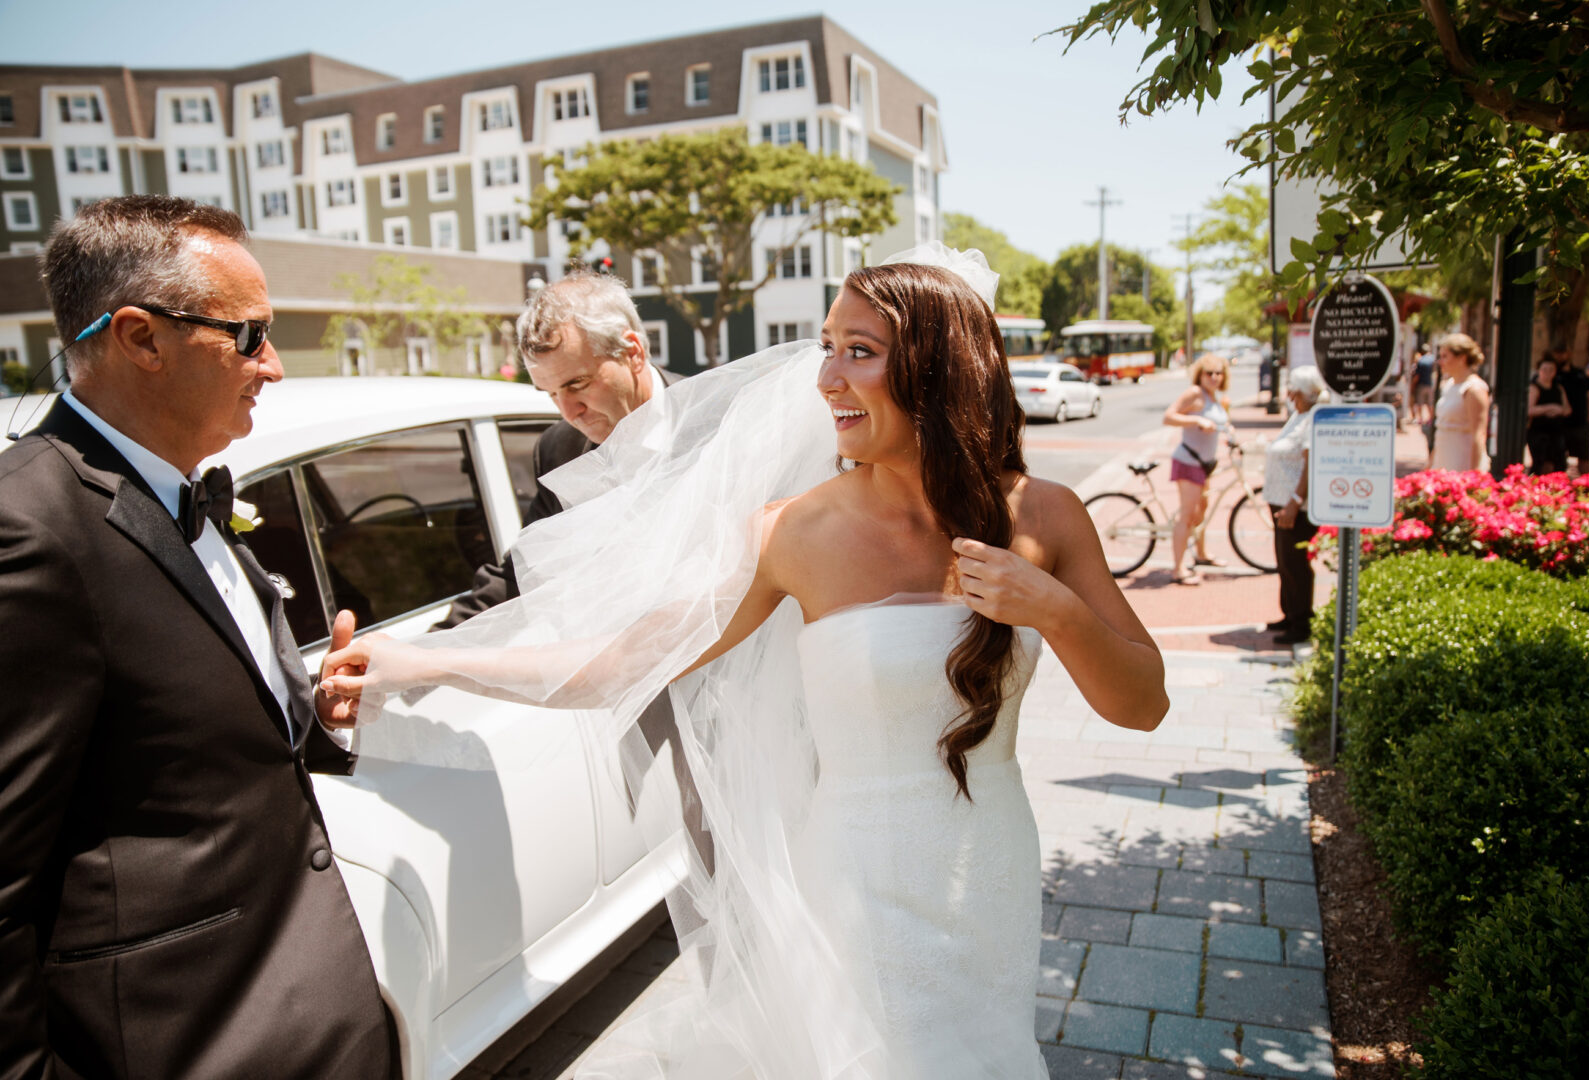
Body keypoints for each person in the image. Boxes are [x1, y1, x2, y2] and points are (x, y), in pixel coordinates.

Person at [320, 250, 1169, 1077]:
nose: (828, 377)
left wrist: (1051, 609)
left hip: (987, 870)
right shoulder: (791, 531)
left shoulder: (1047, 516)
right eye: (827, 346)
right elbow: (620, 662)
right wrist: (422, 662)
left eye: (859, 352)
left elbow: (1143, 705)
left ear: (941, 370)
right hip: (856, 883)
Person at [0, 197, 395, 1078]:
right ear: (141, 337)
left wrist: (310, 715)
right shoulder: (27, 529)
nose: (276, 367)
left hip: (317, 1016)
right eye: (249, 336)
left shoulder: (188, 493)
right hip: (188, 1040)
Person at [435, 269, 683, 627]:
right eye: (551, 394)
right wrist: (413, 655)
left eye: (577, 384)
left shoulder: (726, 421)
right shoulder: (558, 448)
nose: (568, 413)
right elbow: (518, 577)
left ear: (633, 352)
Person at [1262, 366, 1329, 646]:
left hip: (1296, 506)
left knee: (1296, 564)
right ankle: (1290, 613)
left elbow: (1310, 465)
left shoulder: (1313, 420)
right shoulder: (1298, 416)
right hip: (1280, 500)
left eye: (1293, 390)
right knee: (1284, 562)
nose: (1289, 395)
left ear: (1306, 393)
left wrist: (1295, 502)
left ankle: (1302, 622)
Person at [1161, 353, 1231, 584]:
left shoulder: (1215, 397)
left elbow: (1223, 423)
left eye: (1218, 373)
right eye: (1209, 373)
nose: (1214, 377)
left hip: (1205, 464)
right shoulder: (1194, 394)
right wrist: (1196, 421)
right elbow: (1168, 417)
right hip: (1188, 461)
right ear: (1200, 375)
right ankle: (1178, 569)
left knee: (1202, 510)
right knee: (1187, 515)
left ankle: (1201, 554)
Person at [1430, 332, 1490, 471]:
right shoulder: (1449, 385)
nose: (1440, 361)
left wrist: (1474, 473)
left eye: (1445, 356)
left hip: (1462, 462)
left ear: (1462, 358)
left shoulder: (1474, 389)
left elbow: (1479, 434)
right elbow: (1442, 429)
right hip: (1444, 460)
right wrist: (1430, 465)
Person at [1527, 355, 1572, 475]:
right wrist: (1549, 408)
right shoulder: (1534, 388)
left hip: (1556, 432)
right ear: (1539, 370)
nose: (1548, 372)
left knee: (1558, 463)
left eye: (1551, 369)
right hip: (1538, 432)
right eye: (1544, 369)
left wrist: (1560, 410)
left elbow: (1567, 409)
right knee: (1540, 463)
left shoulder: (1558, 388)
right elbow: (1529, 410)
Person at [1554, 343, 1589, 475]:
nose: (1560, 356)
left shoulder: (1580, 374)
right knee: (1558, 461)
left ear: (1569, 354)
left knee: (1584, 460)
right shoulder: (1553, 375)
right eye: (1557, 353)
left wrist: (1588, 420)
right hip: (1560, 424)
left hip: (1580, 423)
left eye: (1562, 352)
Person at [1409, 345, 1436, 428]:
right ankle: (1431, 419)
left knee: (1420, 403)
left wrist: (1412, 385)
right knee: (1430, 403)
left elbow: (1417, 376)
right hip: (1430, 384)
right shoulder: (1433, 359)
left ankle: (1420, 418)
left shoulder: (1420, 360)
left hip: (1421, 384)